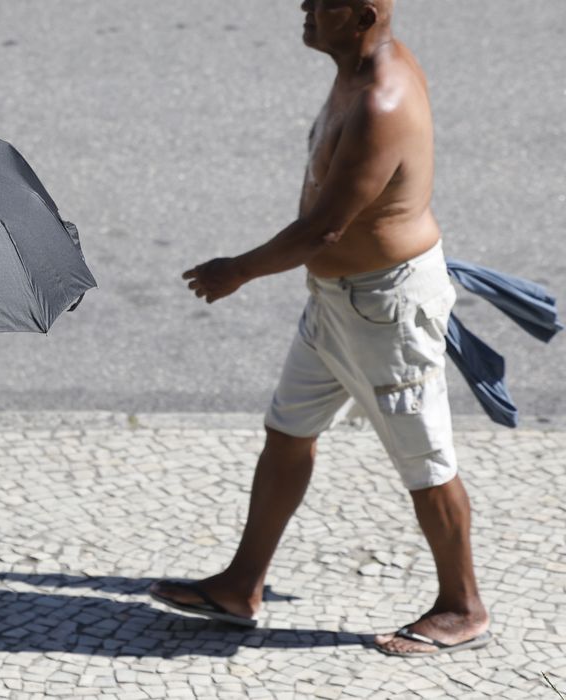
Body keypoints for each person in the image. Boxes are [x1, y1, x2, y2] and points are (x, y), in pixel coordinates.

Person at [150, 0, 492, 657]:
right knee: (288, 431)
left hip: (384, 310)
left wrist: (238, 271)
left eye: (320, 1)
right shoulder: (356, 70)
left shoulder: (381, 102)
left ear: (362, 15)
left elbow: (323, 228)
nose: (303, 8)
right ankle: (240, 585)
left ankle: (462, 606)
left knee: (426, 461)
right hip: (338, 299)